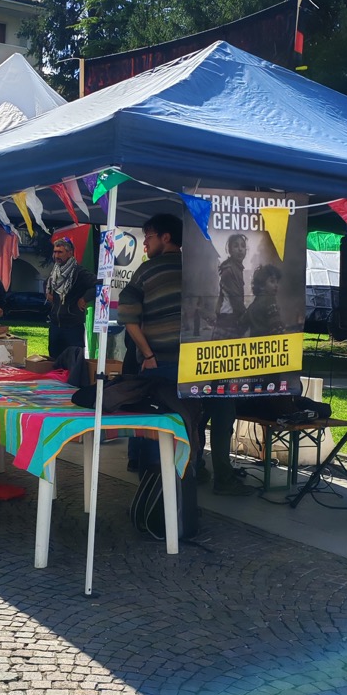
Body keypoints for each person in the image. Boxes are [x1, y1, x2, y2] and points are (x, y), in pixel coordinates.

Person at [119, 213, 249, 497]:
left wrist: (147, 354)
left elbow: (128, 316)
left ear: (166, 237)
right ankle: (193, 482)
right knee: (195, 422)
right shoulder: (199, 269)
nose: (145, 243)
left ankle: (157, 494)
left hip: (163, 363)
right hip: (203, 361)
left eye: (149, 237)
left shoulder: (147, 271)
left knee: (162, 429)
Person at [46, 236, 97, 357]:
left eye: (60, 252)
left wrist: (84, 298)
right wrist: (48, 292)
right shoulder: (55, 271)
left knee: (73, 362)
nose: (56, 255)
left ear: (70, 253)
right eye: (55, 252)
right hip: (55, 325)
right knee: (54, 361)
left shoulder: (79, 272)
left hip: (72, 327)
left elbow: (98, 284)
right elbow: (47, 283)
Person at [212, 233, 248, 339]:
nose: (240, 249)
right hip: (228, 323)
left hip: (227, 321)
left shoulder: (236, 268)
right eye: (236, 246)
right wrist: (248, 318)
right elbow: (236, 301)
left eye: (243, 246)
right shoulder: (229, 270)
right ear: (230, 250)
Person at [244, 263, 286, 336]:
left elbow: (241, 324)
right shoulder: (270, 300)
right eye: (272, 281)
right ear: (261, 286)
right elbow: (277, 328)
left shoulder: (252, 306)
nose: (276, 285)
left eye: (277, 282)